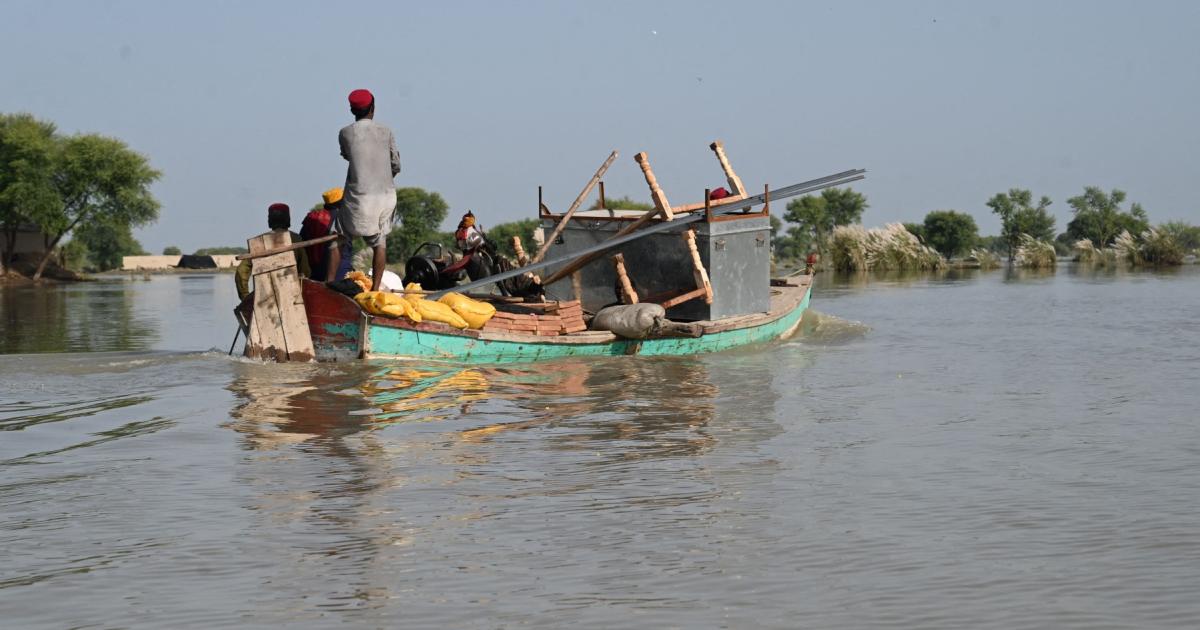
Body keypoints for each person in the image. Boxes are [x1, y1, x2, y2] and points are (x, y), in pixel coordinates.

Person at [327, 88, 401, 291]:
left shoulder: (345, 133)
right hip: (386, 197)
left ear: (352, 110)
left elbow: (348, 155)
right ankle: (375, 290)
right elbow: (396, 165)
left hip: (358, 198)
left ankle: (329, 285)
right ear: (373, 109)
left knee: (336, 237)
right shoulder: (386, 132)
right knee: (380, 242)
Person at [235, 203, 310, 300]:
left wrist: (245, 298)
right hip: (292, 296)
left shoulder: (258, 242)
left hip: (264, 299)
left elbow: (241, 272)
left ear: (269, 220)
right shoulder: (296, 239)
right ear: (288, 219)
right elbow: (305, 271)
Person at [301, 187, 352, 282]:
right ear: (341, 202)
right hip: (339, 273)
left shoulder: (312, 219)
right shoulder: (342, 219)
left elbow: (302, 242)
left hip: (314, 273)